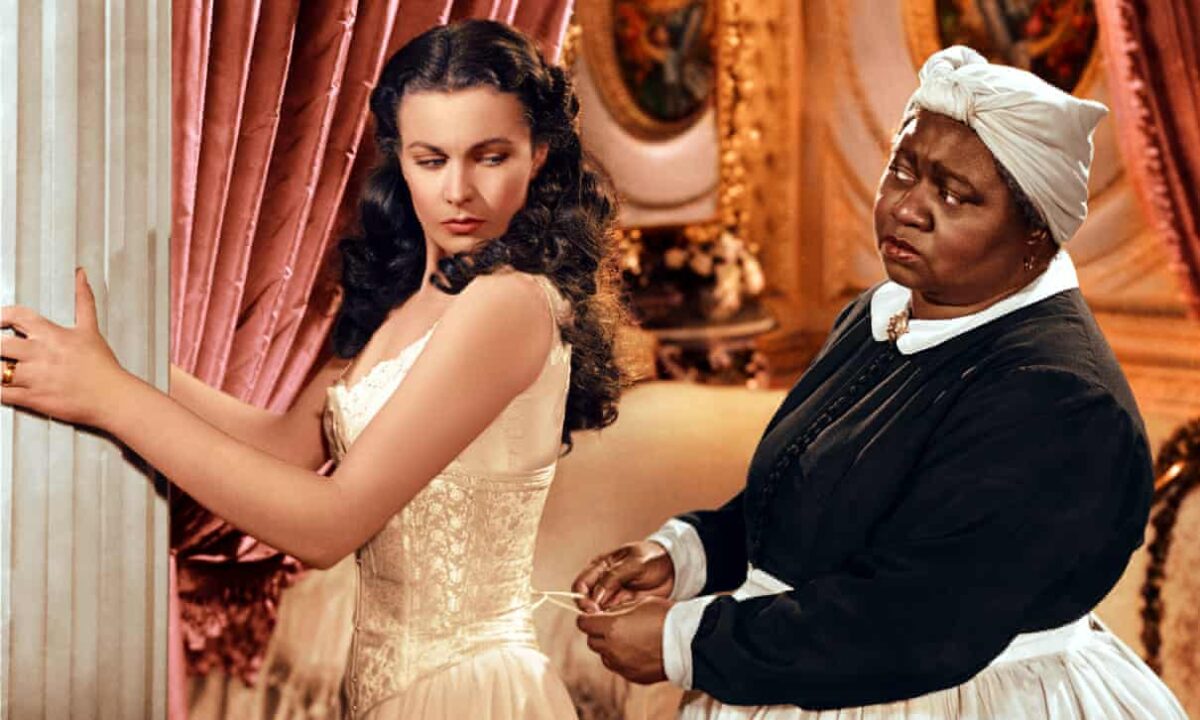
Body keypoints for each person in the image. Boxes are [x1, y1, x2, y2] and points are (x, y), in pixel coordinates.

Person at [1, 19, 625, 720]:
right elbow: (281, 447)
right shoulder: (408, 297)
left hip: (472, 692)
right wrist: (134, 365)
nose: (458, 190)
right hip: (388, 692)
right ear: (399, 159)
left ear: (538, 155)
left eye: (490, 156)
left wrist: (108, 396)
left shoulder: (508, 302)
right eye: (430, 159)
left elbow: (328, 527)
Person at [572, 46, 1188, 719]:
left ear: (1035, 235)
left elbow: (915, 620)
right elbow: (823, 497)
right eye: (904, 169)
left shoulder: (1058, 399)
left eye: (954, 194)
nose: (908, 208)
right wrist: (690, 554)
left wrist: (687, 641)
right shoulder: (885, 312)